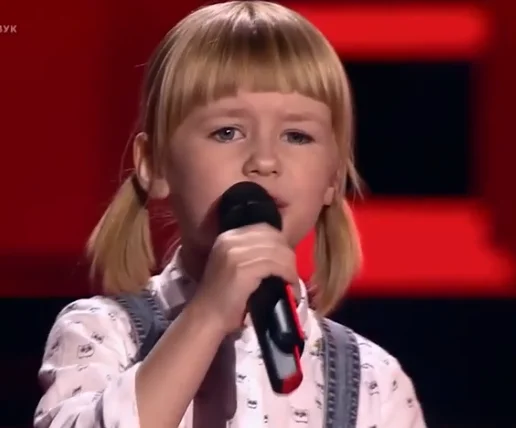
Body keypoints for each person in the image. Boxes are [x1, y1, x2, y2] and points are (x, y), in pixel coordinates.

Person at [34, 1, 427, 427]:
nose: (264, 160)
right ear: (155, 163)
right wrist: (206, 316)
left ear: (333, 177)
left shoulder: (374, 380)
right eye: (227, 132)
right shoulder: (102, 334)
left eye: (297, 135)